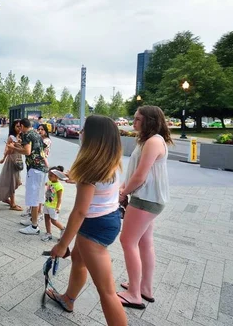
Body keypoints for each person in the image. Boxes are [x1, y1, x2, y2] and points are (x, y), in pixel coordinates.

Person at [46, 115, 127, 325]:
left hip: (95, 226)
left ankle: (69, 299)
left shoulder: (91, 167)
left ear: (92, 137)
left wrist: (62, 244)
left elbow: (79, 212)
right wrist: (78, 178)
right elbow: (98, 188)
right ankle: (68, 299)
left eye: (83, 131)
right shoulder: (110, 161)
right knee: (78, 260)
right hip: (109, 218)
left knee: (107, 291)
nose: (80, 134)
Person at [118, 105, 172, 310]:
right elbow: (136, 173)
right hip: (150, 198)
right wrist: (125, 187)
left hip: (145, 199)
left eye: (138, 119)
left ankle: (133, 294)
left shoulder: (153, 141)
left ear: (149, 120)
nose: (133, 122)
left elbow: (140, 176)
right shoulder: (152, 141)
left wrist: (123, 193)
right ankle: (144, 288)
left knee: (128, 241)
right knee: (144, 243)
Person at [9, 118, 48, 235]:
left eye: (19, 126)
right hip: (42, 169)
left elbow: (27, 152)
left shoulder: (26, 134)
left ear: (22, 126)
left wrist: (13, 148)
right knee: (38, 196)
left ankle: (34, 226)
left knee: (33, 197)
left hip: (34, 169)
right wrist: (19, 145)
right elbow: (38, 149)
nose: (19, 129)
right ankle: (32, 220)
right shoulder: (36, 134)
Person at [0, 120, 23, 211]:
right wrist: (11, 149)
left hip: (17, 160)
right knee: (12, 182)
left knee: (15, 182)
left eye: (20, 126)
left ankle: (6, 198)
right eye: (17, 126)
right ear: (13, 127)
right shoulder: (12, 137)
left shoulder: (20, 136)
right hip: (12, 161)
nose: (19, 128)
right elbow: (7, 151)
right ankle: (13, 204)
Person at [41, 166, 66, 241]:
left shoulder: (59, 186)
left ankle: (63, 229)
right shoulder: (50, 182)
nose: (49, 177)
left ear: (57, 176)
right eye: (49, 175)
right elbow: (46, 184)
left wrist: (58, 207)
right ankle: (48, 233)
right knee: (46, 218)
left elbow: (59, 198)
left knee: (53, 221)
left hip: (53, 207)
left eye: (51, 176)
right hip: (47, 204)